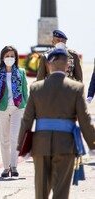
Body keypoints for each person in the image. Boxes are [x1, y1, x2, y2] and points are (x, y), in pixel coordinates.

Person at [17, 48, 95, 199]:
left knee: (41, 192)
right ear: (67, 66)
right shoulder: (76, 88)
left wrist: (23, 147)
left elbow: (27, 120)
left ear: (48, 65)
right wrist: (92, 144)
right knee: (61, 193)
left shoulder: (36, 88)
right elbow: (84, 119)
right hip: (65, 145)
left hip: (41, 145)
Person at [0, 46, 28, 177]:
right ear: (2, 58)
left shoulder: (21, 72)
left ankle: (14, 166)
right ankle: (6, 167)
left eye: (12, 56)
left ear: (15, 58)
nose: (10, 58)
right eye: (7, 56)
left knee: (15, 138)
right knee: (4, 139)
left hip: (18, 108)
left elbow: (25, 92)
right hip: (2, 109)